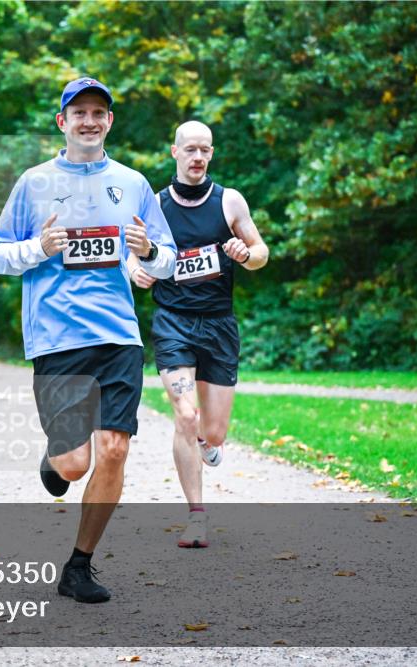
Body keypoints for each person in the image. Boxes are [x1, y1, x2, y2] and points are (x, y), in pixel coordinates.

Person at [0, 77, 176, 603]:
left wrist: (149, 252)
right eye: (79, 113)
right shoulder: (33, 183)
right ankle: (55, 458)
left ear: (109, 121)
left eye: (98, 113)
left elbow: (168, 258)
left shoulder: (133, 183)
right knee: (74, 465)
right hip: (57, 338)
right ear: (62, 122)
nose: (89, 121)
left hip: (118, 335)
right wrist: (38, 248)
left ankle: (78, 566)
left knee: (114, 449)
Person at [127, 120, 269, 548]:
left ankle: (209, 442)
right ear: (175, 152)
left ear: (212, 153)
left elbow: (261, 252)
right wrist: (135, 270)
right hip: (173, 322)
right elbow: (130, 252)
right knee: (185, 416)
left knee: (215, 432)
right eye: (190, 149)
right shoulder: (155, 205)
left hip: (219, 324)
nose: (198, 157)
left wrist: (245, 254)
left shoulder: (230, 201)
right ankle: (197, 517)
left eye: (205, 150)